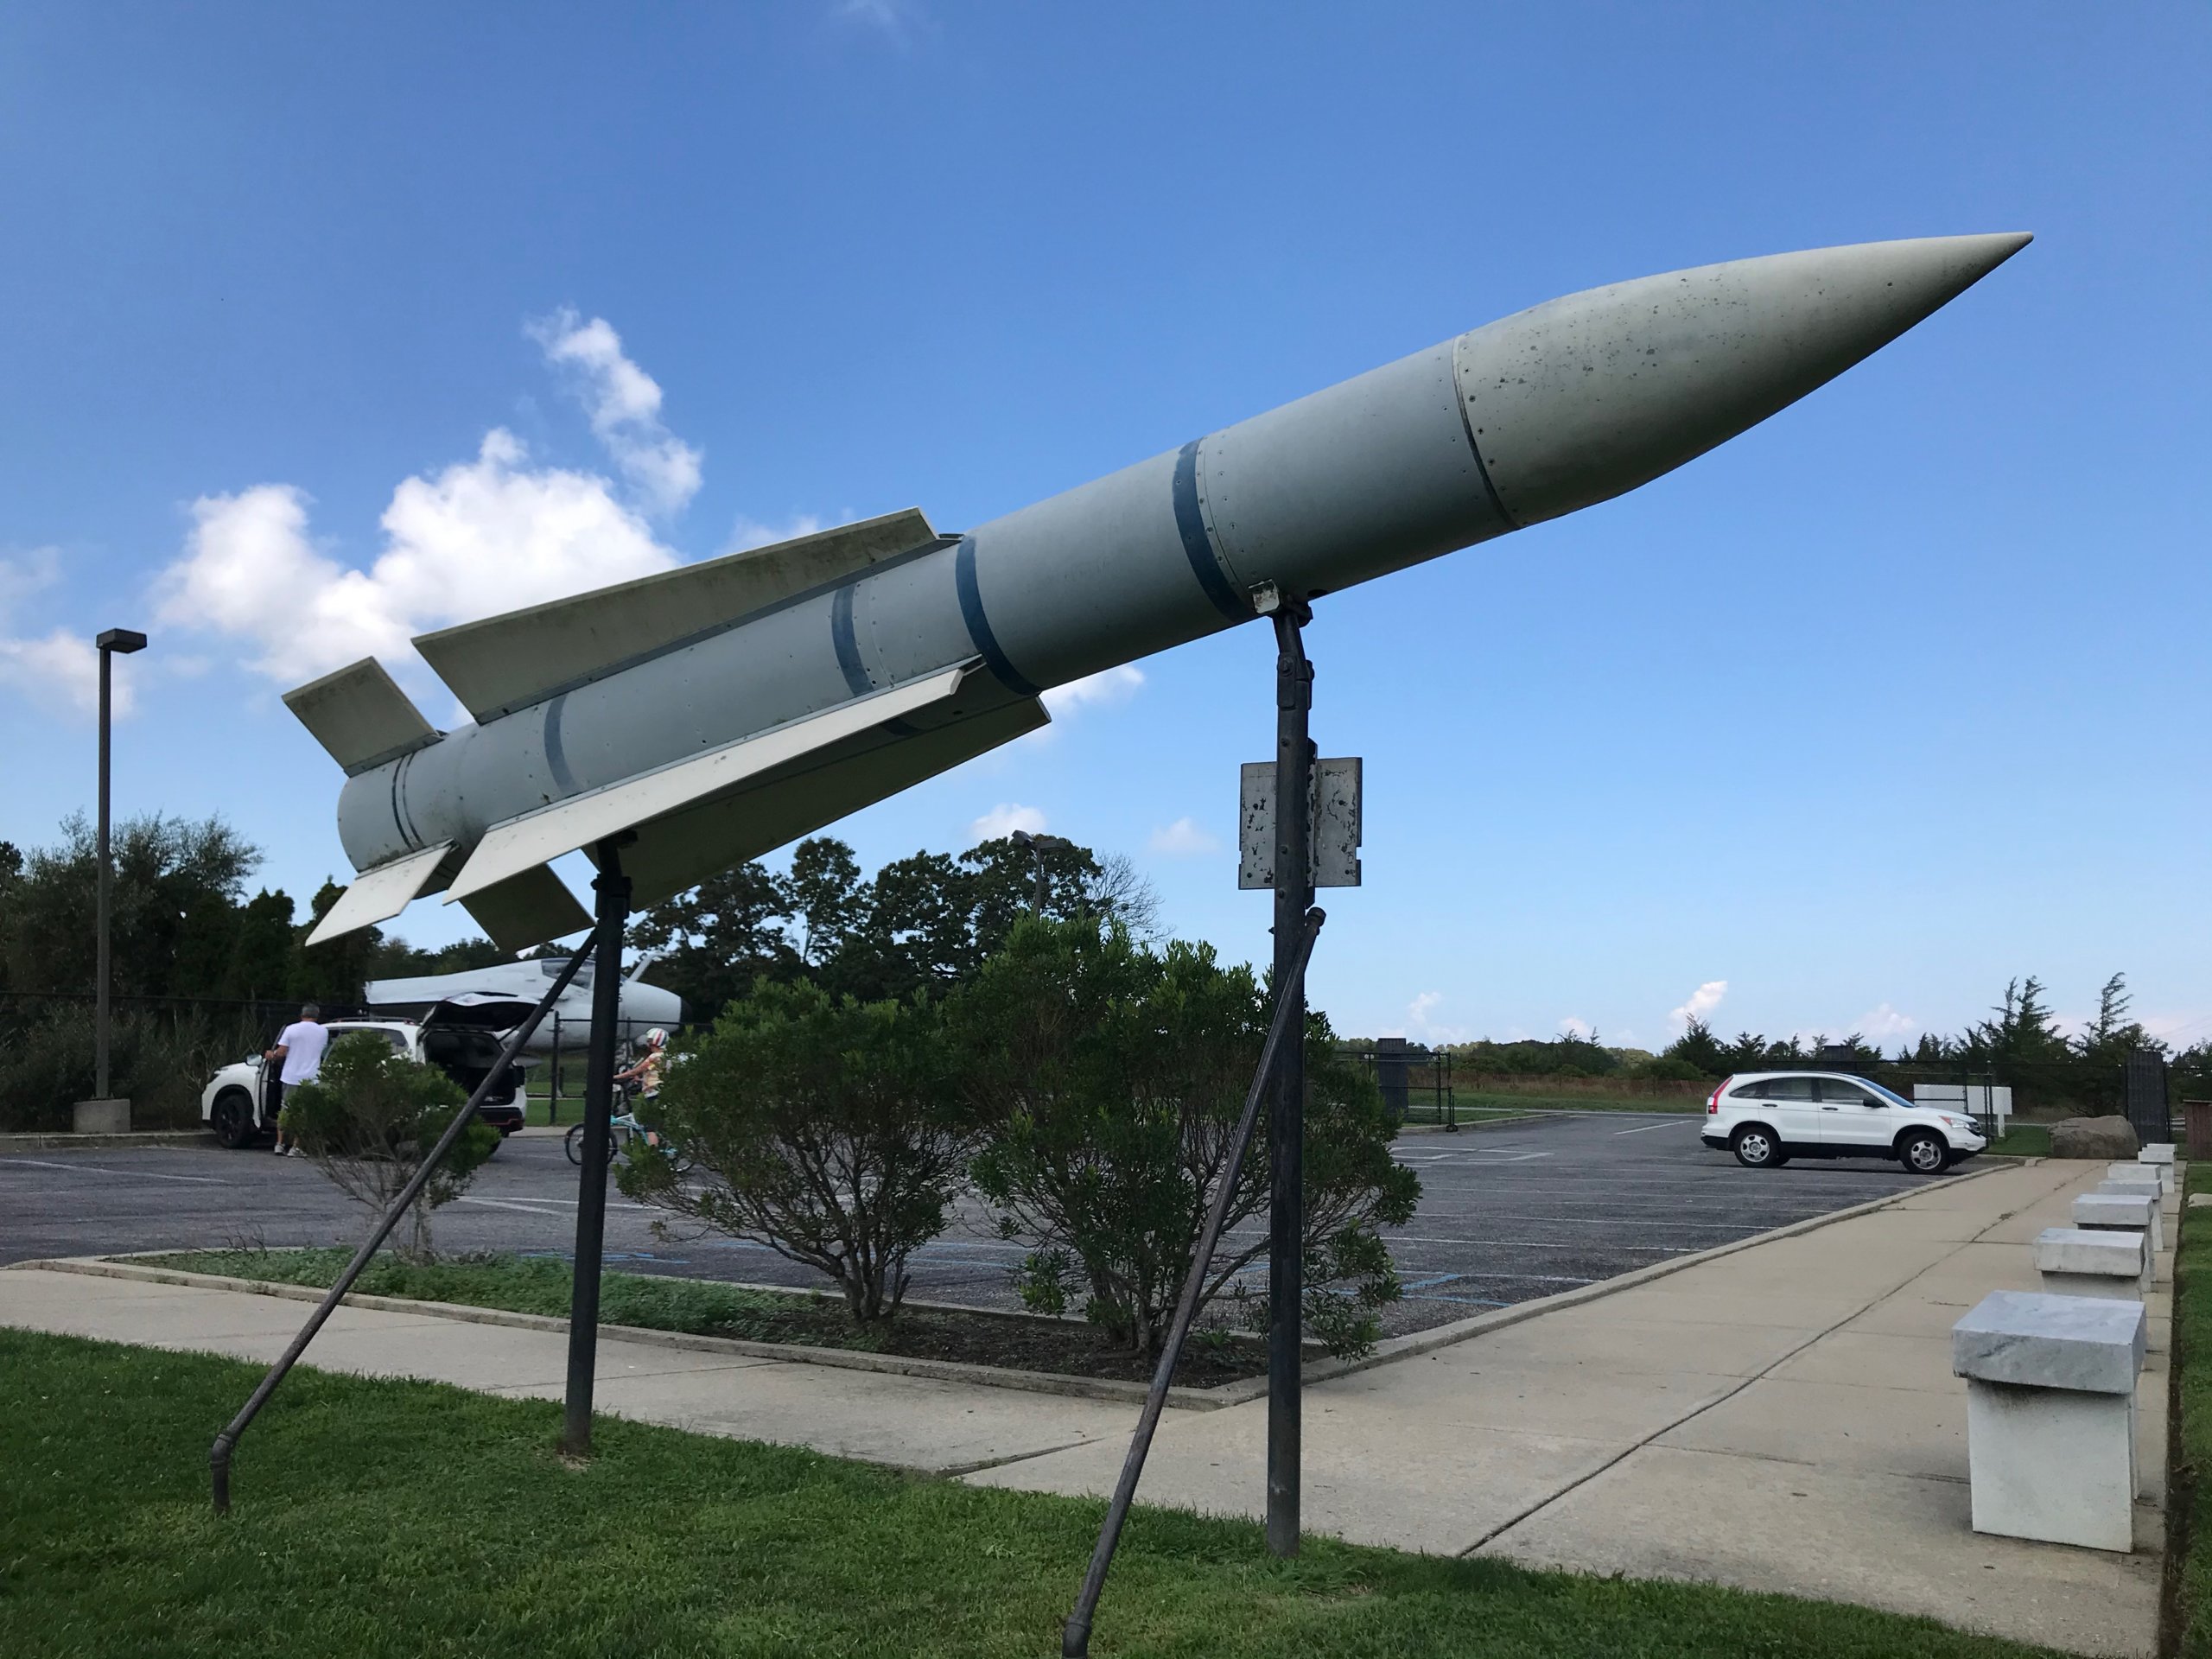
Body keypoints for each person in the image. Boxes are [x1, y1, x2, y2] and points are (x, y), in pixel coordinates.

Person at [264, 1003, 330, 1157]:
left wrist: (271, 1054)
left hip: (290, 1075)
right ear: (317, 1016)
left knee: (286, 1109)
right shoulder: (323, 1032)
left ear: (302, 1015)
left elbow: (281, 1052)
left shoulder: (291, 1029)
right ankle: (295, 1146)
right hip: (311, 1077)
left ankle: (279, 1144)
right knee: (303, 1111)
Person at [614, 1027, 670, 1147]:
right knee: (657, 1124)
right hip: (663, 1093)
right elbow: (655, 1073)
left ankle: (653, 1155)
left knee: (650, 1129)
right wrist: (641, 1079)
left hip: (654, 1094)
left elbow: (635, 1071)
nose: (648, 1044)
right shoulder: (666, 1056)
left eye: (650, 1040)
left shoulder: (654, 1057)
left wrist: (615, 1077)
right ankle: (661, 1146)